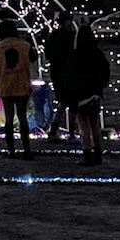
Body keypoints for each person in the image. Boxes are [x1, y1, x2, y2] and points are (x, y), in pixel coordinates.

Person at [0, 18, 35, 157]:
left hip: (6, 86)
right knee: (23, 117)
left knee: (8, 118)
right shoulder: (25, 46)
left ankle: (11, 149)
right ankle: (27, 149)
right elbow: (33, 58)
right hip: (22, 84)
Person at [72, 16, 112, 167]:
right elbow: (105, 72)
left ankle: (87, 153)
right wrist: (100, 87)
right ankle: (97, 153)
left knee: (84, 125)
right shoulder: (98, 53)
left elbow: (71, 76)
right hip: (94, 93)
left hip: (82, 94)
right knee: (95, 125)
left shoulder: (76, 55)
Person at [43, 11, 77, 145]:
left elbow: (48, 54)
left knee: (63, 102)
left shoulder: (53, 36)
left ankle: (56, 130)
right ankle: (69, 132)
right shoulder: (71, 36)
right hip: (68, 73)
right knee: (70, 103)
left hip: (58, 72)